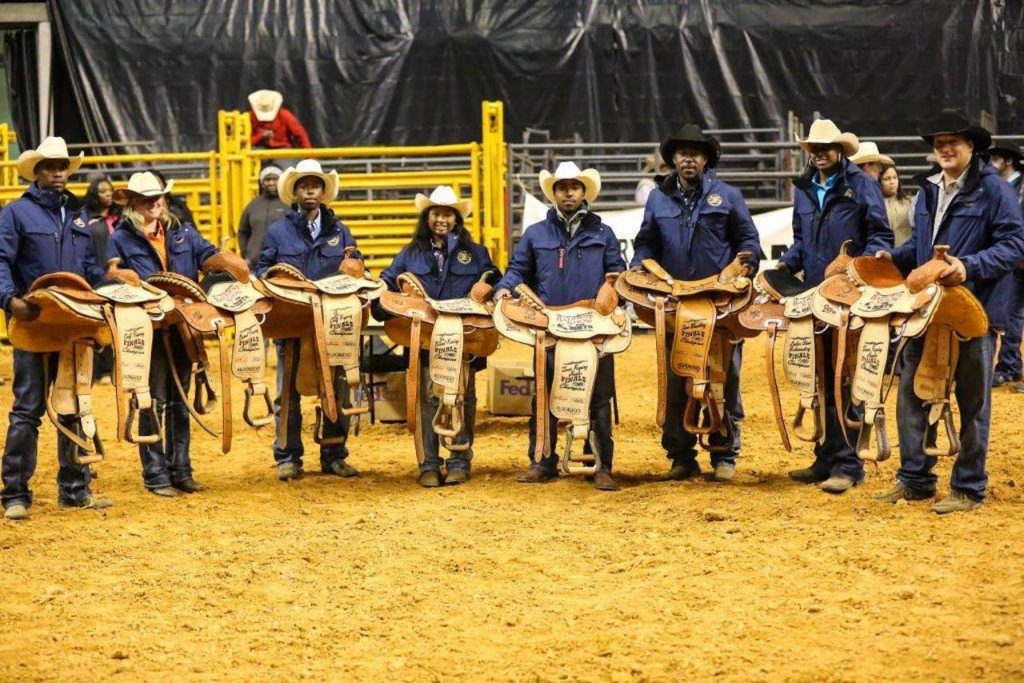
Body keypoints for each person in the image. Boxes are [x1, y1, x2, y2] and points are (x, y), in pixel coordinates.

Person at [876, 112, 1024, 514]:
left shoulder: (994, 190)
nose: (944, 148)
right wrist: (893, 257)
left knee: (973, 400)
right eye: (939, 142)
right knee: (911, 393)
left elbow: (1015, 245)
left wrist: (969, 266)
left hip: (972, 311)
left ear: (971, 146)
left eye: (953, 142)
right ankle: (915, 479)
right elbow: (922, 249)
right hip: (924, 310)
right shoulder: (928, 191)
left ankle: (969, 487)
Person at [631, 124, 762, 483]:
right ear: (673, 158)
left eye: (696, 152)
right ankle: (681, 455)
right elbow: (646, 243)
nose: (688, 157)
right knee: (677, 377)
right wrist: (642, 267)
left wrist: (744, 265)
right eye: (682, 152)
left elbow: (748, 240)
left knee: (726, 377)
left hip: (720, 302)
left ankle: (724, 453)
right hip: (677, 301)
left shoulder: (728, 196)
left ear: (706, 158)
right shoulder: (658, 199)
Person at [494, 162, 627, 491]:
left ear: (584, 192)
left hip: (592, 323)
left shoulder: (603, 232)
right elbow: (518, 268)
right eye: (562, 186)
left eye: (574, 186)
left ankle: (600, 463)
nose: (568, 191)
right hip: (550, 323)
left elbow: (617, 271)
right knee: (543, 394)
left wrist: (614, 288)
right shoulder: (535, 234)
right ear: (553, 193)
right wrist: (504, 287)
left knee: (598, 397)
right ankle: (542, 460)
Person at [777, 118, 893, 494]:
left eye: (826, 147)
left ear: (841, 150)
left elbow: (880, 234)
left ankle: (848, 463)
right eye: (813, 148)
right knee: (821, 378)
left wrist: (857, 263)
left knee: (845, 378)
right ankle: (827, 457)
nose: (819, 153)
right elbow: (801, 240)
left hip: (848, 295)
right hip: (814, 292)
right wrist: (785, 264)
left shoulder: (861, 185)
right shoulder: (805, 189)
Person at [0, 137, 110, 520]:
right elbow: (0, 259)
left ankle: (74, 489)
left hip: (73, 323)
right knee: (27, 409)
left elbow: (91, 270)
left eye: (63, 166)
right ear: (37, 171)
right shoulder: (15, 213)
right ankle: (14, 493)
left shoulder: (79, 215)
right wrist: (9, 298)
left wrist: (110, 289)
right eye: (50, 166)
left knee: (74, 403)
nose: (59, 172)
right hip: (34, 320)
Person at [378, 186, 501, 487]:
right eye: (436, 213)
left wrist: (489, 287)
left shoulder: (475, 253)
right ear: (427, 217)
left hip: (463, 335)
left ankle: (459, 459)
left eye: (448, 214)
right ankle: (428, 463)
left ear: (456, 218)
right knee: (425, 398)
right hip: (422, 335)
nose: (441, 219)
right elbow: (387, 277)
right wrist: (380, 291)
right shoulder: (411, 252)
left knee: (463, 395)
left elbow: (493, 277)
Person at [106, 172, 218, 497]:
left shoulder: (182, 232)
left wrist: (223, 265)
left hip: (182, 323)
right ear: (133, 204)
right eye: (146, 198)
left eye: (158, 197)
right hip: (148, 326)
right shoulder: (120, 239)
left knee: (180, 399)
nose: (154, 203)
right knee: (151, 399)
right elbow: (111, 278)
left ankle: (181, 470)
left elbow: (208, 255)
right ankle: (156, 474)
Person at [256, 159, 360, 481]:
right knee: (287, 392)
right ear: (295, 192)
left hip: (331, 323)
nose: (310, 190)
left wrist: (354, 267)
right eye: (304, 185)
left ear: (323, 191)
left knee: (337, 388)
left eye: (315, 184)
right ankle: (288, 456)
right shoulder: (278, 232)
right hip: (291, 323)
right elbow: (263, 270)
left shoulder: (340, 232)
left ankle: (333, 453)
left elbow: (356, 266)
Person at [986, 141, 1024, 386]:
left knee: (1012, 313)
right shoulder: (1003, 187)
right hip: (1013, 258)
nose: (990, 164)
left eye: (995, 159)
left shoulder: (1017, 187)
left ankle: (1009, 366)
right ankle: (1010, 365)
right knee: (1011, 313)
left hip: (1017, 257)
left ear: (1008, 160)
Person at [84, 174, 121, 384]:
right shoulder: (87, 218)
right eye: (103, 191)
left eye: (110, 190)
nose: (108, 194)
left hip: (121, 276)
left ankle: (115, 368)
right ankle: (99, 370)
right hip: (96, 276)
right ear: (94, 195)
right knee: (98, 324)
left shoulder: (121, 217)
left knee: (118, 322)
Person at [237, 166, 287, 270]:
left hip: (281, 264)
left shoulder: (288, 204)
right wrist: (246, 253)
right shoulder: (253, 205)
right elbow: (243, 231)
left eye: (275, 179)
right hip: (254, 264)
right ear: (262, 183)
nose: (271, 183)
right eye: (267, 179)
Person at [248, 89, 312, 150]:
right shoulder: (250, 116)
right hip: (259, 148)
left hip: (283, 149)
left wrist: (310, 156)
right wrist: (260, 136)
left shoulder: (285, 115)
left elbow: (300, 133)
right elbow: (245, 141)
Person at [880, 163, 913, 246]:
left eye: (895, 178)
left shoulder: (908, 202)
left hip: (906, 253)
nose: (892, 182)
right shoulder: (875, 204)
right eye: (887, 179)